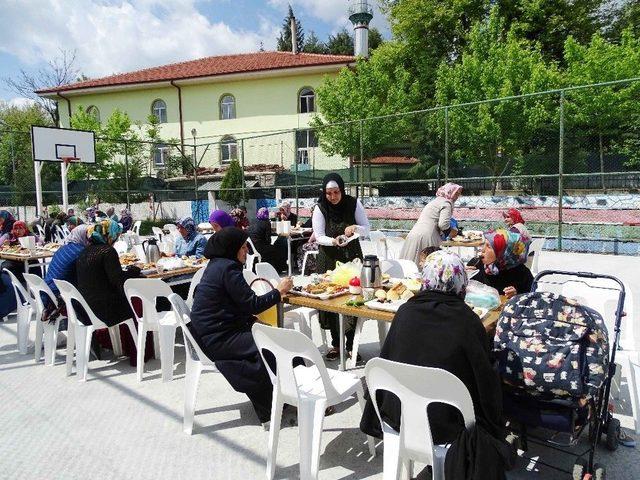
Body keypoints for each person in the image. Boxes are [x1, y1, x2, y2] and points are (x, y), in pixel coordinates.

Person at [360, 250, 505, 446]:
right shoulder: (467, 320)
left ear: (426, 278)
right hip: (450, 426)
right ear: (461, 281)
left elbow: (388, 357)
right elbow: (483, 377)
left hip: (400, 416)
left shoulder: (405, 312)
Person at [188, 227, 293, 424]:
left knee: (271, 338)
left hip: (210, 334)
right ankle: (296, 397)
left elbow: (233, 305)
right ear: (231, 249)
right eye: (243, 247)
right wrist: (279, 291)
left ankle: (275, 401)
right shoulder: (228, 269)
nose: (247, 251)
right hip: (219, 338)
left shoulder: (217, 265)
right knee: (281, 343)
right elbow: (252, 304)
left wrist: (253, 321)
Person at [312, 173, 370, 360]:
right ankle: (336, 344)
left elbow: (366, 228)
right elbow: (319, 235)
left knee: (352, 299)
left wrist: (355, 228)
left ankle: (352, 344)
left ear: (342, 190)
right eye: (328, 193)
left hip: (352, 257)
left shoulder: (353, 204)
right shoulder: (320, 208)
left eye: (336, 192)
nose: (333, 197)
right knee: (331, 302)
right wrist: (333, 241)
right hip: (329, 258)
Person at [76, 219, 141, 327]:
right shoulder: (107, 251)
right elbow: (118, 281)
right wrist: (133, 272)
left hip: (85, 308)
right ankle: (141, 340)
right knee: (141, 301)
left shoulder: (84, 251)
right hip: (104, 310)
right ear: (110, 234)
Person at [400, 182, 463, 264]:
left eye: (458, 194)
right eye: (455, 193)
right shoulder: (446, 203)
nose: (457, 196)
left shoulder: (436, 201)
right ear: (449, 192)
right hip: (428, 237)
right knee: (429, 266)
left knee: (410, 265)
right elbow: (443, 224)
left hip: (414, 233)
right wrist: (452, 232)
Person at [472, 228, 533, 299]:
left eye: (488, 246)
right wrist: (464, 274)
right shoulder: (476, 263)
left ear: (503, 253)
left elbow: (531, 295)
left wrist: (517, 294)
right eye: (484, 245)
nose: (482, 250)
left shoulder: (522, 273)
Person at [248, 207, 287, 272]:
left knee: (273, 247)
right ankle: (279, 268)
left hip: (250, 247)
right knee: (278, 248)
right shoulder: (266, 222)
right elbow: (268, 240)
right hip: (260, 248)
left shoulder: (253, 220)